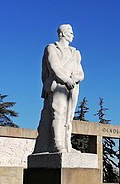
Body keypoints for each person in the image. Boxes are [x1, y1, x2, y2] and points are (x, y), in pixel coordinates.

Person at [33, 24, 84, 153]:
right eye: (70, 32)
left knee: (69, 117)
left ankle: (67, 145)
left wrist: (75, 79)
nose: (73, 34)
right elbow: (54, 68)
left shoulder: (76, 53)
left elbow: (81, 73)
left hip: (73, 88)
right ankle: (56, 143)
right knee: (58, 113)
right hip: (58, 85)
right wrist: (67, 80)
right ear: (61, 34)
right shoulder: (51, 48)